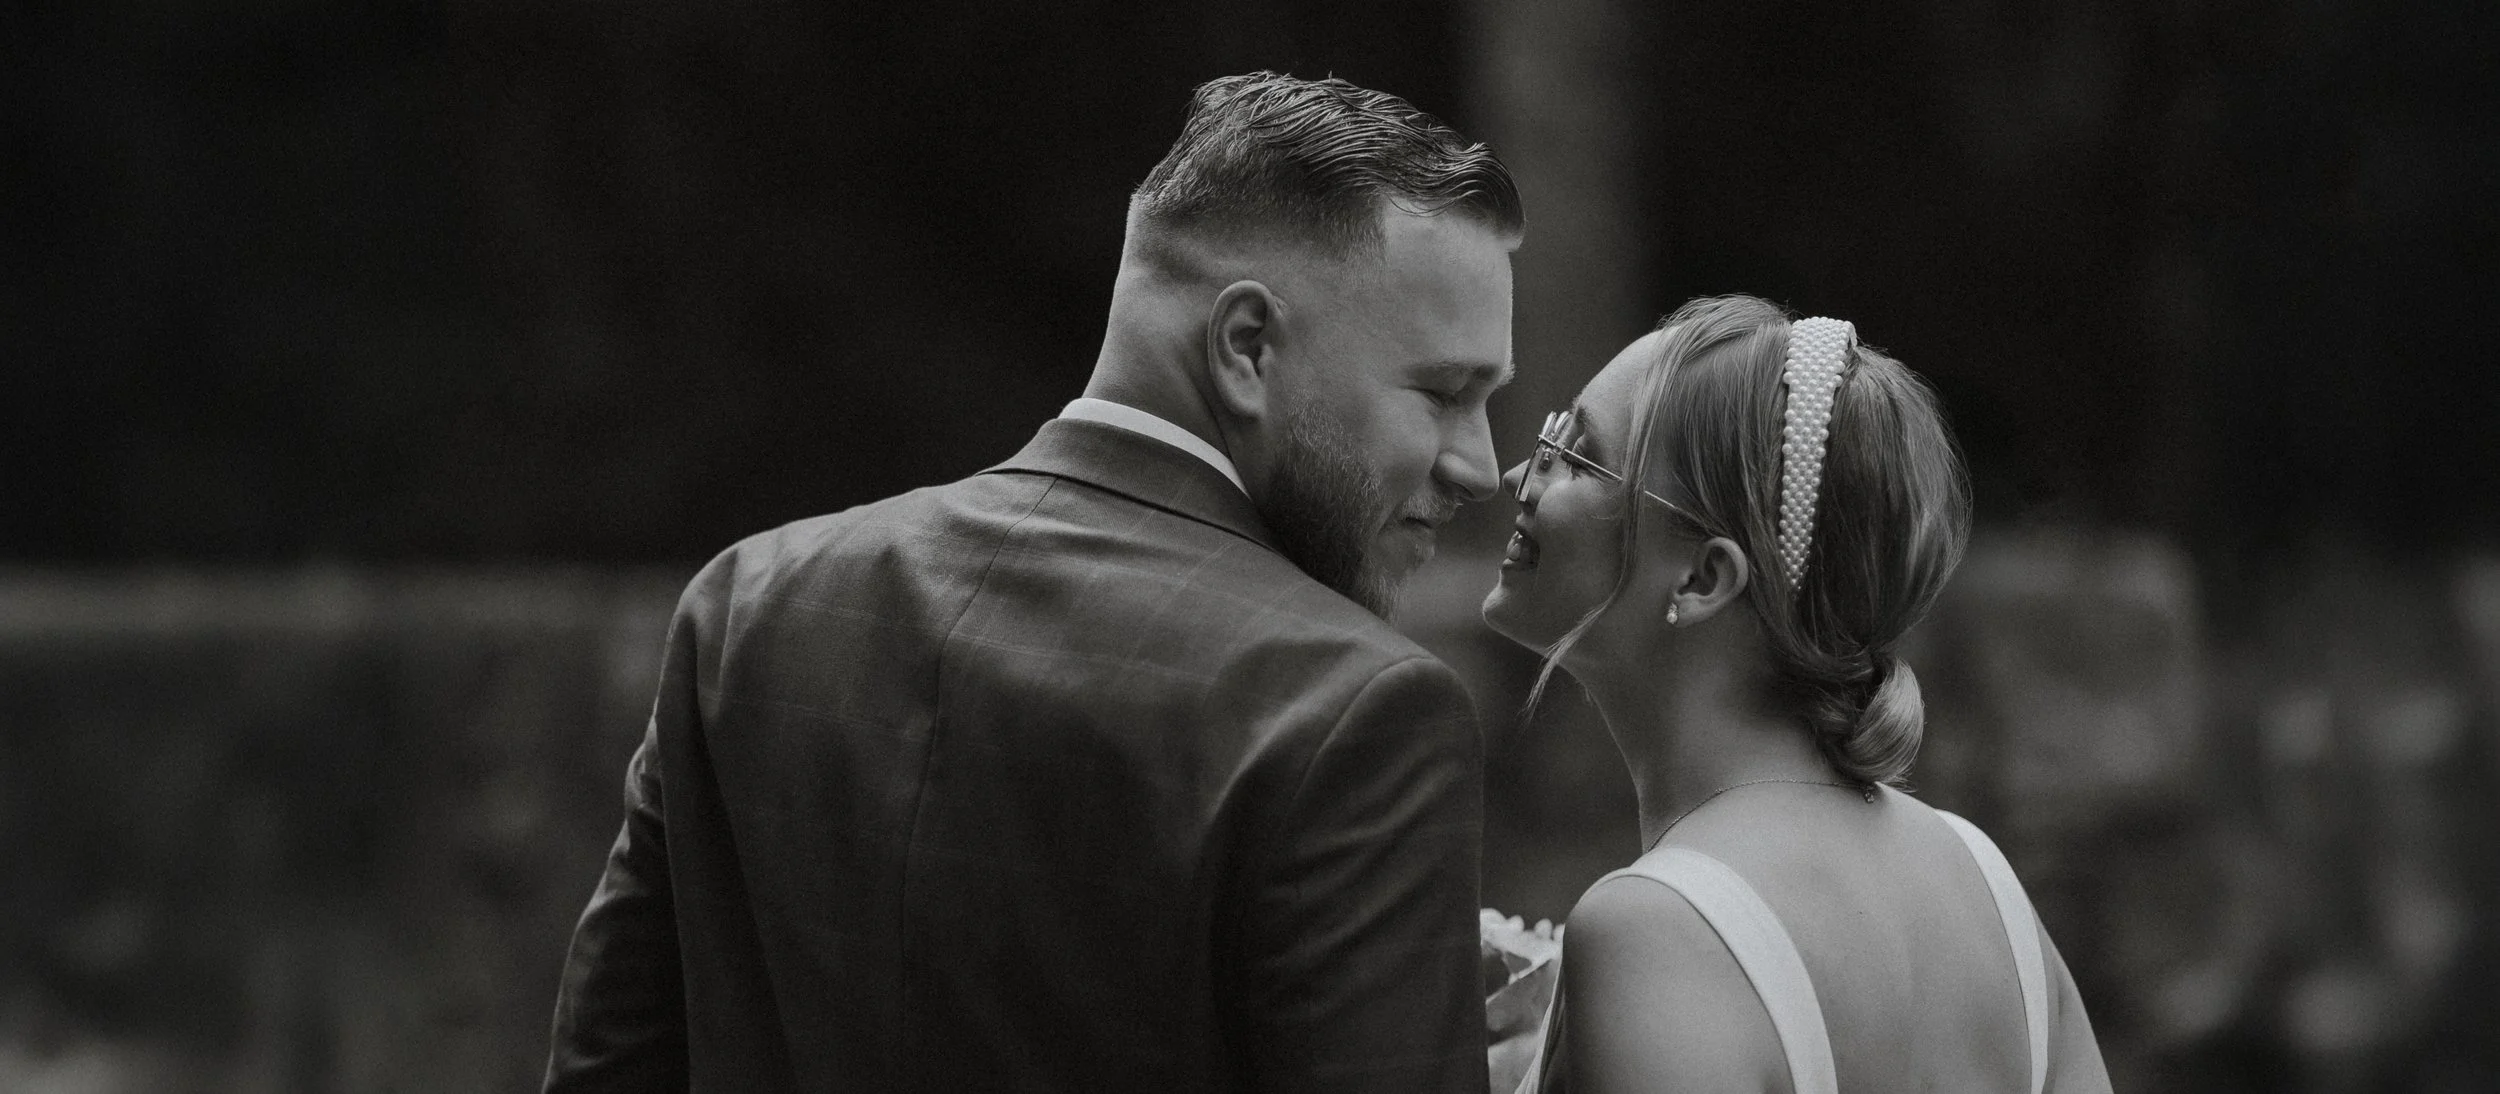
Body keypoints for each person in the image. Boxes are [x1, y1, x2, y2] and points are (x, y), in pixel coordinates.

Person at [541, 72, 1522, 1092]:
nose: (1479, 465)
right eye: (1445, 393)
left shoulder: (751, 605)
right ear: (1245, 347)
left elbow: (606, 1069)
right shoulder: (1353, 709)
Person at [1483, 295, 2111, 1093]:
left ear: (1704, 577)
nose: (1515, 476)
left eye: (1577, 455)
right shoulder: (1988, 888)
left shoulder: (1656, 932)